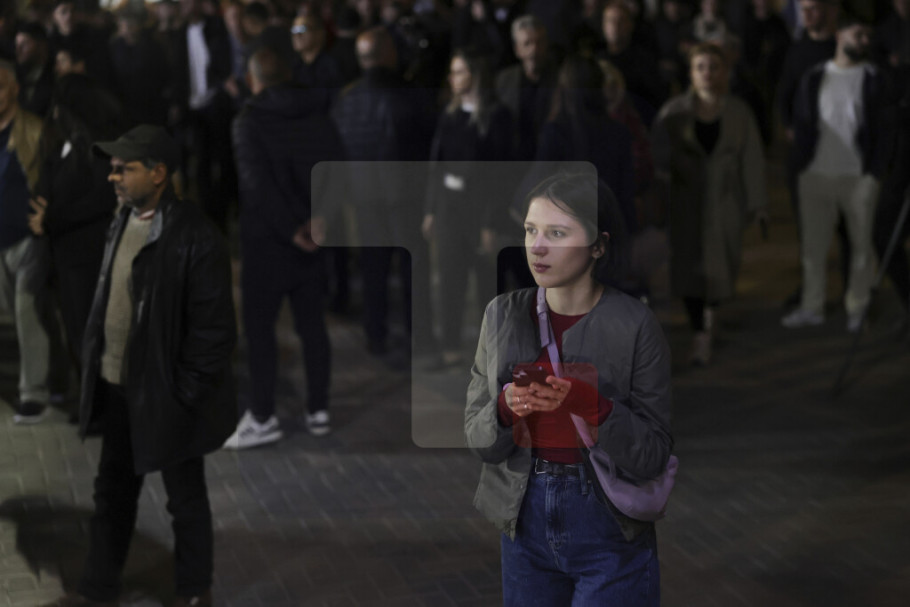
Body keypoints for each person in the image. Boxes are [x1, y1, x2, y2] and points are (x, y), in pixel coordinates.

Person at [41, 125, 237, 607]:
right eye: (112, 169)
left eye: (124, 169)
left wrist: (183, 395)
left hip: (166, 395)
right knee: (112, 494)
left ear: (158, 173)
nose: (113, 177)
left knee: (184, 500)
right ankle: (98, 588)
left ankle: (195, 592)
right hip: (119, 389)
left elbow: (213, 333)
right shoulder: (121, 220)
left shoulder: (195, 236)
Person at [465, 172, 672, 606]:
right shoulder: (502, 315)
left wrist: (594, 408)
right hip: (524, 524)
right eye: (530, 230)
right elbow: (479, 439)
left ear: (598, 245)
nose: (537, 247)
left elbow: (653, 454)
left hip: (609, 525)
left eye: (557, 234)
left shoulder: (634, 324)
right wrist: (505, 408)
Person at [225, 44, 343, 448]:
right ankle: (319, 409)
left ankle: (262, 416)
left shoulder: (248, 121)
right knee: (313, 326)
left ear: (252, 79)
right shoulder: (318, 113)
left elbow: (256, 185)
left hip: (268, 242)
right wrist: (321, 220)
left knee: (260, 329)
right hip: (315, 239)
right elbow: (338, 170)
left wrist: (293, 229)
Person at [652, 43, 767, 364]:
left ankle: (710, 317)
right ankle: (700, 332)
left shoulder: (738, 113)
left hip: (725, 201)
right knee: (689, 268)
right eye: (700, 66)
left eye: (714, 67)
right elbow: (657, 158)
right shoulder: (673, 112)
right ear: (691, 73)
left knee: (721, 265)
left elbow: (752, 158)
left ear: (724, 72)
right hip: (685, 203)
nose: (707, 73)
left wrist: (757, 204)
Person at [781, 12, 894, 332]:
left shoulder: (874, 78)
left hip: (858, 177)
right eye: (858, 34)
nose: (864, 41)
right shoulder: (816, 76)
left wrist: (874, 173)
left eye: (867, 36)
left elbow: (885, 131)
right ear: (840, 35)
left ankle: (858, 308)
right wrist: (802, 166)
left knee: (861, 249)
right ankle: (812, 306)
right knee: (813, 250)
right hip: (816, 174)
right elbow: (802, 122)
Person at [26, 73, 120, 397]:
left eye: (58, 107)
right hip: (64, 257)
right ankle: (88, 401)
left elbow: (100, 202)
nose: (53, 114)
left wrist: (50, 217)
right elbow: (47, 188)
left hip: (85, 257)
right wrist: (41, 214)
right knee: (76, 331)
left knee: (88, 335)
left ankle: (96, 405)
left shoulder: (97, 151)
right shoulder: (64, 149)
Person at [421, 48, 513, 370]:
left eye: (459, 71)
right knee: (450, 278)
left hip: (480, 209)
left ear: (475, 75)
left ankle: (491, 354)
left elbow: (501, 175)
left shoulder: (497, 116)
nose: (452, 78)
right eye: (452, 72)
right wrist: (431, 210)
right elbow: (437, 163)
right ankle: (450, 347)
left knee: (488, 281)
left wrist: (490, 222)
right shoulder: (450, 114)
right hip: (450, 208)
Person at [0, 58, 53, 424]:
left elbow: (51, 176)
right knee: (18, 315)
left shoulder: (34, 129)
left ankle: (33, 393)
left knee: (27, 312)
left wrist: (47, 214)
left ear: (15, 89)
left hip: (27, 239)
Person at [494, 15, 557, 160]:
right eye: (527, 43)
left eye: (539, 42)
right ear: (517, 49)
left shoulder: (560, 79)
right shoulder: (504, 81)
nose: (534, 49)